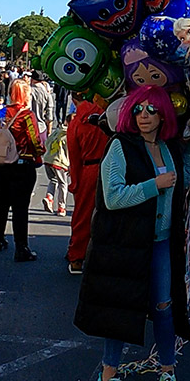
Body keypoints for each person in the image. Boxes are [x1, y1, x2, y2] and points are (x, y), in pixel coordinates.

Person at [74, 85, 189, 381]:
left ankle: (168, 372)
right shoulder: (120, 146)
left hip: (162, 242)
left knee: (164, 307)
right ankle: (107, 378)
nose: (144, 116)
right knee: (122, 306)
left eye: (152, 110)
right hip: (128, 242)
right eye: (138, 109)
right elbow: (112, 197)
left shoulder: (169, 148)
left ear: (164, 113)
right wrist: (154, 185)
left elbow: (188, 181)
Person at [0, 78, 44, 262]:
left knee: (0, 203)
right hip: (21, 164)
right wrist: (39, 153)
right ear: (25, 94)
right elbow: (34, 140)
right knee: (20, 207)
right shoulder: (26, 115)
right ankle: (21, 247)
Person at [65, 94, 109, 274]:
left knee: (83, 215)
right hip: (111, 165)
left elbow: (74, 158)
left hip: (88, 170)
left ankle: (77, 257)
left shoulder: (76, 124)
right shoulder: (108, 115)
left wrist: (75, 183)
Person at [42, 120, 70, 217]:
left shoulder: (57, 131)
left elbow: (47, 142)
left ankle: (49, 197)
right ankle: (61, 207)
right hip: (59, 161)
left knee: (53, 180)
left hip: (48, 159)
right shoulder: (69, 134)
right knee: (63, 183)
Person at [29, 71, 55, 143]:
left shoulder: (29, 91)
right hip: (42, 128)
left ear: (32, 79)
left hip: (29, 127)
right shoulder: (47, 94)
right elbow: (50, 117)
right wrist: (49, 132)